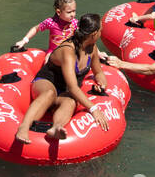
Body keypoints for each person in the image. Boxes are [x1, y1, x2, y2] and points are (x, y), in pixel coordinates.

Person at [15, 13, 111, 144]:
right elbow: (72, 87)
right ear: (94, 34)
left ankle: (56, 128)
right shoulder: (68, 51)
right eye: (101, 30)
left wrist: (102, 84)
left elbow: (98, 72)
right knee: (49, 93)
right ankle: (23, 127)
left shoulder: (92, 49)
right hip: (46, 83)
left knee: (71, 102)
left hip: (64, 93)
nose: (102, 33)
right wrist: (93, 109)